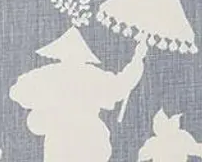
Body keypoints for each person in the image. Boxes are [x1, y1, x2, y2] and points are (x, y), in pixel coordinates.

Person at [10, 26, 148, 162]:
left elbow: (17, 91)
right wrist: (137, 59)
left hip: (75, 136)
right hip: (79, 136)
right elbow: (120, 85)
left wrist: (137, 60)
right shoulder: (90, 75)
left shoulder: (50, 74)